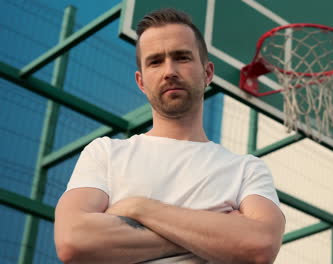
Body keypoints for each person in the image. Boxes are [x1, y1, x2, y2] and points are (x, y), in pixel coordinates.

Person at [54, 8, 285, 264]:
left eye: (182, 57)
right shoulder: (105, 153)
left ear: (207, 73)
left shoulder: (246, 169)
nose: (169, 71)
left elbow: (260, 246)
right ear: (141, 82)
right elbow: (73, 240)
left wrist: (138, 208)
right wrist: (216, 236)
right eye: (155, 61)